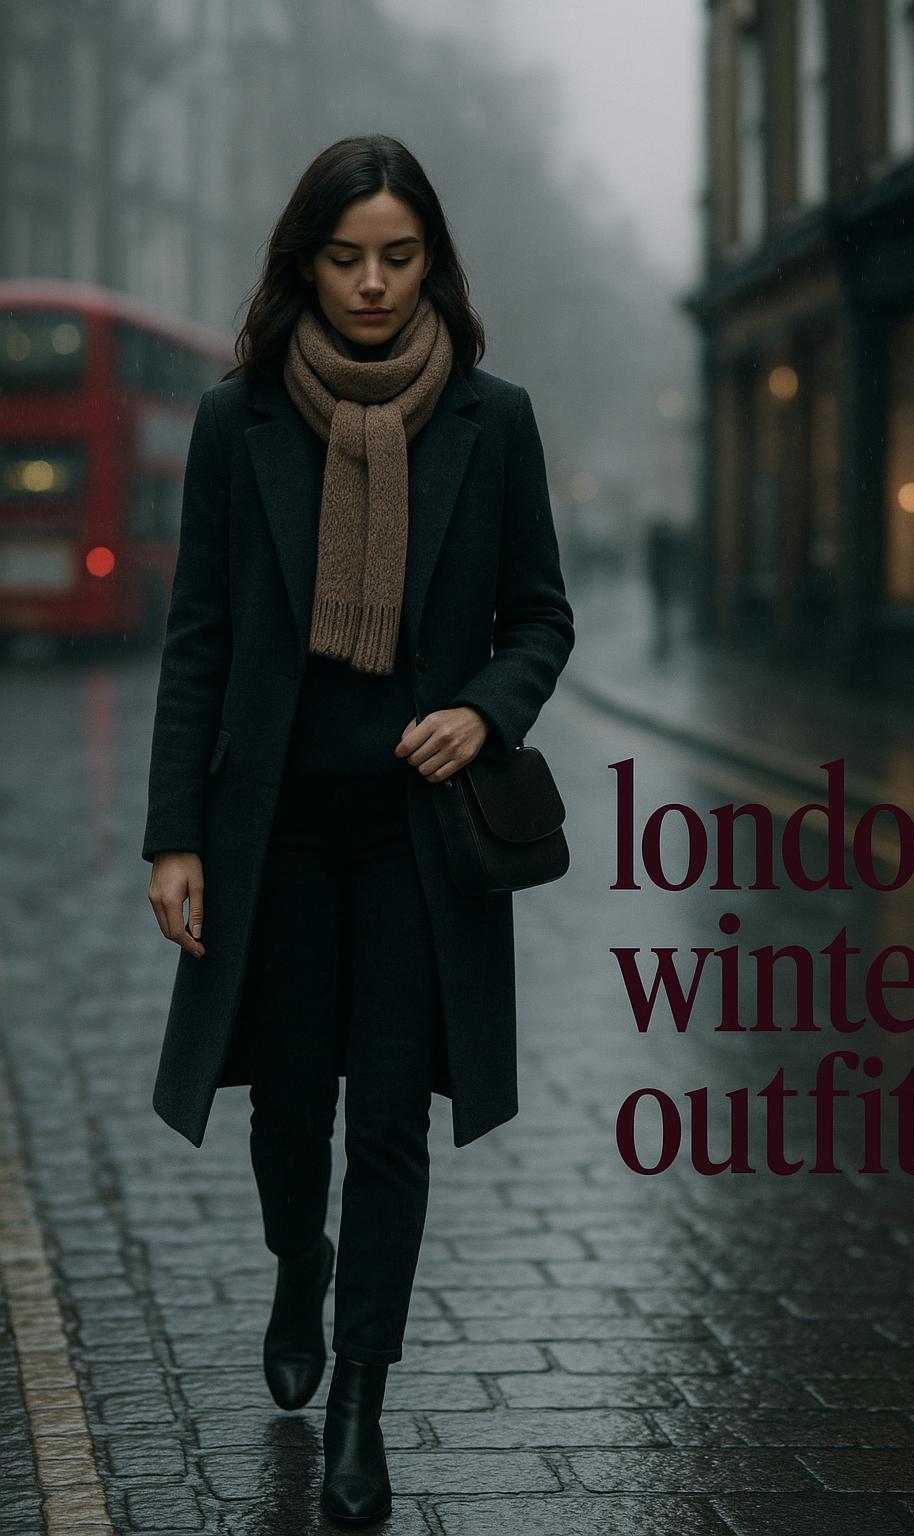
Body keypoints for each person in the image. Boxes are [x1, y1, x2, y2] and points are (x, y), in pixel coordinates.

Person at [142, 134, 574, 1527]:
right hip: (271, 834)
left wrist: (484, 711)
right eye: (347, 258)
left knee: (391, 1120)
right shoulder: (239, 421)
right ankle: (295, 1264)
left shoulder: (490, 421)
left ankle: (361, 1413)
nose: (375, 284)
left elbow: (540, 616)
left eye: (398, 256)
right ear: (305, 264)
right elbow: (198, 643)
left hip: (417, 838)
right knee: (288, 1112)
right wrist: (175, 838)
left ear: (430, 258)